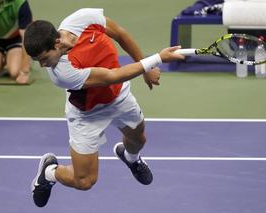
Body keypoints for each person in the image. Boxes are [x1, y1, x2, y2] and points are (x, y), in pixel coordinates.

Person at [24, 8, 185, 207]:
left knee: (138, 139)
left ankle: (130, 158)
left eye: (44, 59)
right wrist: (156, 60)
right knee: (84, 181)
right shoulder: (61, 72)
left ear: (57, 43)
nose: (42, 66)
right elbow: (112, 76)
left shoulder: (83, 19)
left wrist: (146, 67)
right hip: (87, 114)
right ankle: (49, 173)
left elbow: (120, 34)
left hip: (118, 97)